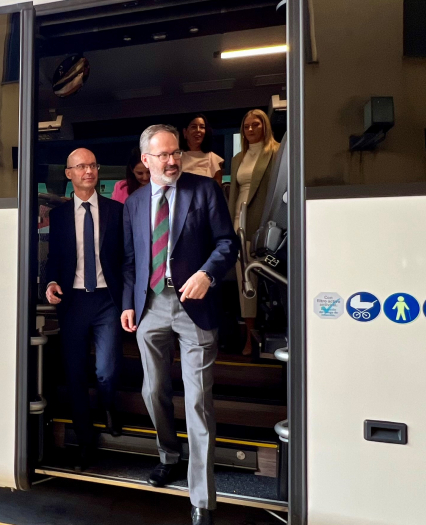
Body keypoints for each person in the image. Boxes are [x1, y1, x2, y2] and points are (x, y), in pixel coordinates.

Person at [120, 125, 238, 525]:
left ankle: (202, 500)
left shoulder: (204, 190)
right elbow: (132, 260)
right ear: (146, 160)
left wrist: (208, 273)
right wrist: (128, 303)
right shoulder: (135, 203)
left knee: (197, 403)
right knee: (153, 391)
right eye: (164, 155)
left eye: (176, 154)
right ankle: (169, 456)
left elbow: (228, 243)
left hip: (196, 307)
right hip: (150, 305)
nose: (172, 161)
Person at [44, 148, 125, 470]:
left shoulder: (116, 211)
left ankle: (109, 407)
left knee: (106, 370)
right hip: (74, 302)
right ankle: (85, 443)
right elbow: (54, 259)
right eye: (80, 167)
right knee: (76, 375)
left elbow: (127, 258)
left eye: (92, 165)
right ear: (69, 174)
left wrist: (129, 301)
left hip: (108, 300)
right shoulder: (60, 217)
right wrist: (50, 284)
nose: (88, 171)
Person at [227, 109, 281, 356]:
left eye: (255, 125)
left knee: (270, 281)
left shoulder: (277, 151)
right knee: (245, 284)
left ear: (264, 126)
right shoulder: (238, 158)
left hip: (266, 224)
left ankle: (275, 333)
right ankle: (250, 338)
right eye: (246, 126)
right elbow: (235, 194)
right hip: (240, 224)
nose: (250, 129)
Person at [179, 114, 224, 184]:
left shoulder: (213, 159)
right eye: (193, 127)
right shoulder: (176, 157)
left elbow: (217, 188)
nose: (198, 130)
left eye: (202, 127)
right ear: (185, 132)